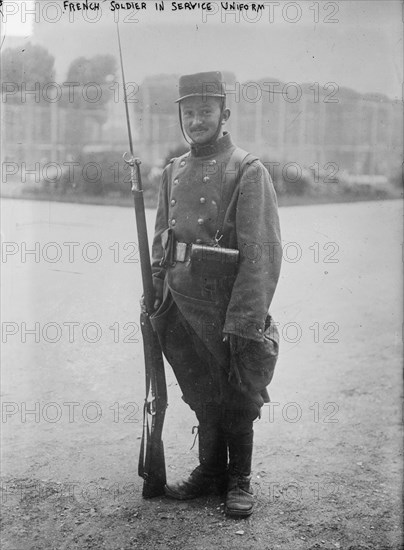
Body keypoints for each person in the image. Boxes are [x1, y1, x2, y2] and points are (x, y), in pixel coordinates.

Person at [150, 71, 282, 518]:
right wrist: (155, 296)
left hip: (225, 305)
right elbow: (161, 243)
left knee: (238, 390)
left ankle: (238, 478)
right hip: (180, 302)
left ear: (223, 115)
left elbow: (261, 254)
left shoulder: (247, 170)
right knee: (199, 390)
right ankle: (210, 471)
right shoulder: (173, 171)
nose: (197, 120)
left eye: (205, 111)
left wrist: (244, 320)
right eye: (189, 113)